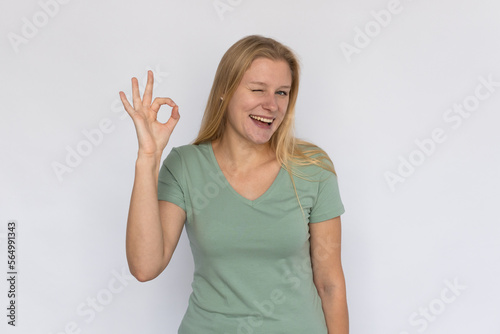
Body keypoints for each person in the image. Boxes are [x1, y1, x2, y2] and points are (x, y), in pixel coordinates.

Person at [119, 35, 349, 334]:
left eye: (282, 92)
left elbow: (330, 284)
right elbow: (145, 267)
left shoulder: (312, 168)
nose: (271, 105)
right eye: (257, 89)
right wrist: (148, 158)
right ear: (224, 92)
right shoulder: (185, 166)